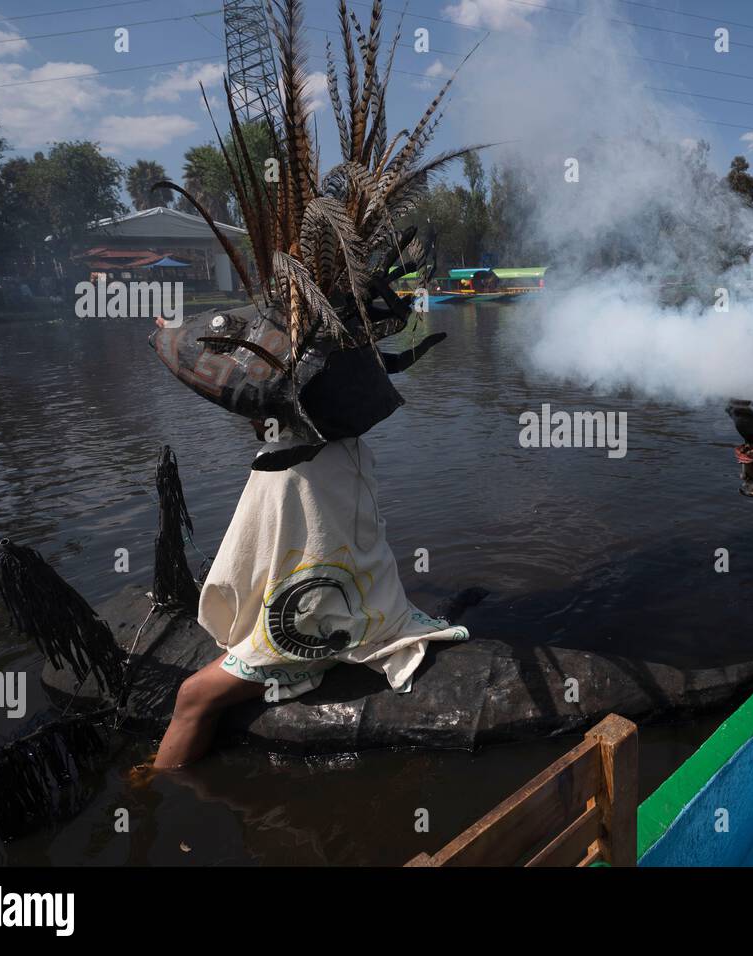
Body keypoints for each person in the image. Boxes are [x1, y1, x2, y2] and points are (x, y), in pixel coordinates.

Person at [141, 0, 475, 770]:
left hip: (323, 599)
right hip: (340, 566)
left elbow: (216, 368)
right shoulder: (332, 435)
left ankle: (158, 793)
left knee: (194, 697)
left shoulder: (301, 443)